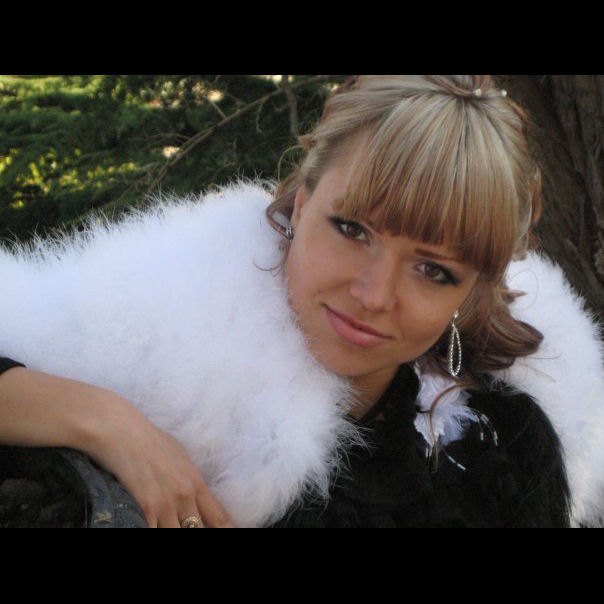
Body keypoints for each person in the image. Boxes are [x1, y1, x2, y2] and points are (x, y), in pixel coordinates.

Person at [0, 75, 602, 528]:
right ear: (302, 203)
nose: (373, 296)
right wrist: (106, 421)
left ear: (474, 290)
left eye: (433, 270)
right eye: (352, 230)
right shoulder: (148, 343)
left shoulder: (508, 449)